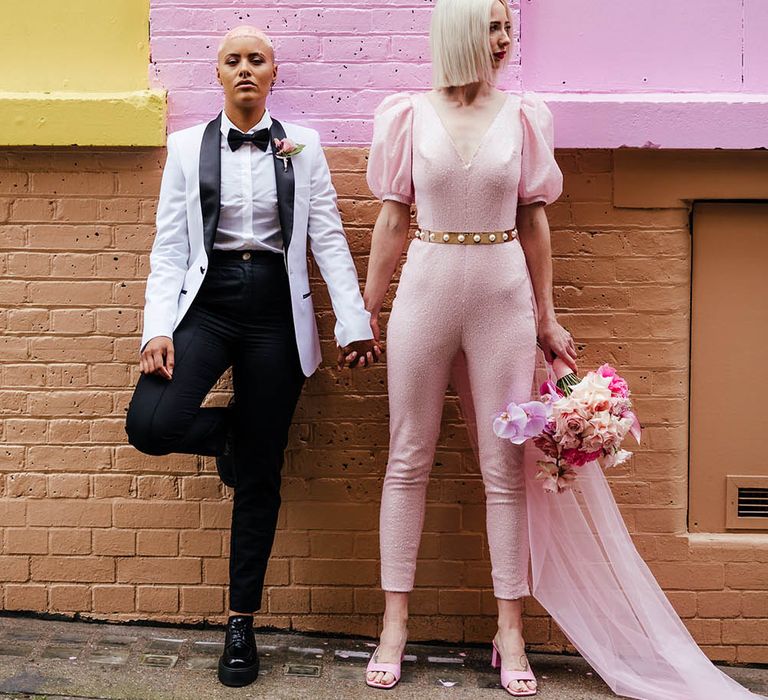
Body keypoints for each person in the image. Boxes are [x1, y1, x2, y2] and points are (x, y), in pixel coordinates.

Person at [362, 1, 765, 699]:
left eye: (507, 29)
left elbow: (534, 222)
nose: (501, 41)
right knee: (407, 457)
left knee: (503, 466)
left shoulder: (523, 117)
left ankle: (509, 627)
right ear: (458, 32)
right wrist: (367, 311)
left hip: (501, 293)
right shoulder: (407, 116)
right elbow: (393, 219)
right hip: (424, 286)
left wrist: (547, 318)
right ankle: (393, 623)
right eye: (489, 28)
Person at [125, 26, 378, 688]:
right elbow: (168, 248)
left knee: (262, 476)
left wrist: (353, 324)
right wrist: (157, 328)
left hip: (275, 309)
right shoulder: (185, 149)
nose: (245, 68)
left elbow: (326, 235)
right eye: (232, 60)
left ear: (273, 73)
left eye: (256, 59)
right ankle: (236, 433)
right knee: (151, 425)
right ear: (218, 73)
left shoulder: (303, 147)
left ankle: (241, 625)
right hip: (205, 306)